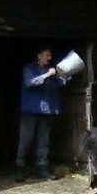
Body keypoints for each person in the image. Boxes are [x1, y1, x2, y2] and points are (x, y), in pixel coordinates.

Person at [15, 47, 69, 182]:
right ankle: (19, 169)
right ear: (39, 55)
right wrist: (46, 75)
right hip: (30, 111)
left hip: (46, 110)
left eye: (50, 55)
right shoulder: (29, 68)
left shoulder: (51, 71)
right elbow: (30, 83)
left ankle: (42, 169)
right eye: (47, 55)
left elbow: (62, 83)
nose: (49, 58)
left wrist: (65, 74)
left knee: (43, 141)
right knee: (26, 140)